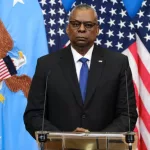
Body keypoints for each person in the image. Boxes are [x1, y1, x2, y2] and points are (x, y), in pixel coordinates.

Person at [24, 4, 138, 138]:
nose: (82, 29)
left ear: (97, 30)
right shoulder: (46, 65)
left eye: (88, 25)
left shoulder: (118, 63)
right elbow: (34, 115)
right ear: (67, 28)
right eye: (75, 24)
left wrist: (96, 140)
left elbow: (127, 115)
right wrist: (65, 138)